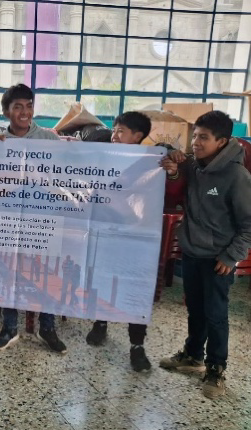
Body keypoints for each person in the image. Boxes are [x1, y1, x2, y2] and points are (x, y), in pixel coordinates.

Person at [159, 111, 251, 398]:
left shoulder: (236, 176)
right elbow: (170, 174)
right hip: (192, 252)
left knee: (216, 315)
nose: (196, 142)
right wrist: (172, 161)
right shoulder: (194, 166)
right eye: (195, 136)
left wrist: (231, 256)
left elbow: (248, 223)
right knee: (196, 309)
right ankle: (193, 355)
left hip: (218, 259)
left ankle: (216, 369)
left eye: (204, 138)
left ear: (221, 142)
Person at [0, 84, 67, 354]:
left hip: (42, 218)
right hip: (8, 219)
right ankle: (9, 328)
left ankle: (47, 327)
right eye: (18, 107)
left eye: (29, 106)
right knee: (9, 271)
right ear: (6, 112)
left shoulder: (48, 139)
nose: (24, 112)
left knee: (46, 273)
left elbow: (65, 174)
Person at [85, 111, 154, 372]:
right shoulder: (105, 155)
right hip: (105, 232)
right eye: (114, 130)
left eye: (121, 131)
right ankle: (100, 323)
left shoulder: (150, 162)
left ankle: (137, 344)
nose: (114, 135)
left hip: (135, 237)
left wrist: (171, 157)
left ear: (138, 136)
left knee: (135, 288)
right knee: (102, 278)